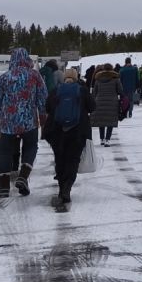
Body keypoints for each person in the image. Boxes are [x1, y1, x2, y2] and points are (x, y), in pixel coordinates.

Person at [0, 47, 47, 198]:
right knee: (31, 147)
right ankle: (23, 177)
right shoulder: (35, 76)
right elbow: (43, 99)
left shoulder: (4, 77)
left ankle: (4, 187)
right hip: (29, 122)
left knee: (5, 152)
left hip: (8, 123)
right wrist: (43, 118)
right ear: (27, 58)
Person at [44, 67, 92, 211]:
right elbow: (92, 107)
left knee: (60, 159)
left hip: (57, 131)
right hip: (77, 132)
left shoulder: (56, 91)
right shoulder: (82, 90)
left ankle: (60, 188)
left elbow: (47, 108)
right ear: (76, 78)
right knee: (73, 160)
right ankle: (67, 189)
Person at [91, 63, 122, 144]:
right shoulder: (115, 79)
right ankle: (107, 140)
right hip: (112, 102)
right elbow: (120, 91)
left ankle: (102, 139)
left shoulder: (98, 79)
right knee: (110, 121)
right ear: (112, 69)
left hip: (100, 102)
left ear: (103, 69)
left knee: (101, 121)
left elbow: (95, 92)